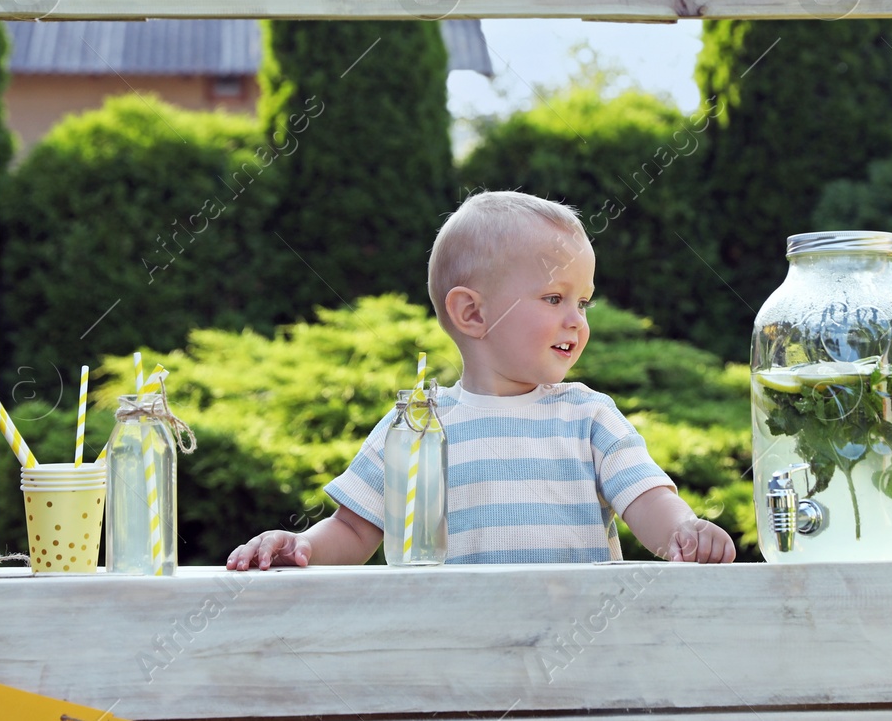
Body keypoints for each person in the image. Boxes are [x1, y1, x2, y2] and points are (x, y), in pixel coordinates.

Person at [226, 190, 736, 568]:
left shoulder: (588, 416)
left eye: (583, 301)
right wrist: (300, 547)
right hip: (455, 665)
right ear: (472, 313)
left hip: (577, 673)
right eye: (554, 298)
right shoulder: (417, 427)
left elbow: (645, 497)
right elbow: (354, 529)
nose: (576, 320)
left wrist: (682, 532)